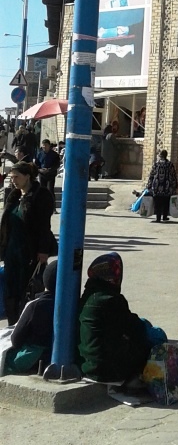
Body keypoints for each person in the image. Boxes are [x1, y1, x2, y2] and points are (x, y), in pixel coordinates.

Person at [78, 252, 154, 384]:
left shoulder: (88, 296)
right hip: (106, 369)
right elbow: (135, 329)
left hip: (85, 363)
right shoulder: (111, 300)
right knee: (153, 336)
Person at [0, 160, 55, 325]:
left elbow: (45, 226)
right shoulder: (14, 195)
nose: (13, 180)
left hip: (29, 252)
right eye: (11, 177)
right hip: (11, 251)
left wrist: (43, 251)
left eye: (16, 177)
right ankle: (12, 323)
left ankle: (25, 325)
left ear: (28, 177)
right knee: (10, 290)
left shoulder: (41, 195)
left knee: (27, 290)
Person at [5, 259, 57, 373]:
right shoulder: (70, 304)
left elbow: (16, 339)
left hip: (30, 358)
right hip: (51, 355)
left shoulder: (36, 306)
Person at [146, 149, 178, 223]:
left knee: (157, 202)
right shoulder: (170, 164)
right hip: (167, 187)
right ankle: (164, 216)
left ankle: (158, 218)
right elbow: (173, 175)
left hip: (157, 186)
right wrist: (175, 185)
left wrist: (149, 185)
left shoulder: (156, 164)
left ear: (160, 155)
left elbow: (152, 175)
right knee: (165, 202)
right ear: (166, 155)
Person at [35, 140, 60, 207]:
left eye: (46, 145)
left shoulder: (54, 155)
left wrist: (49, 169)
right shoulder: (39, 154)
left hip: (51, 175)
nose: (44, 147)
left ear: (49, 145)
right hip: (42, 174)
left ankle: (52, 207)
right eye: (43, 145)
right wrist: (40, 170)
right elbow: (36, 164)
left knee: (50, 190)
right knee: (42, 190)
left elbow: (57, 164)